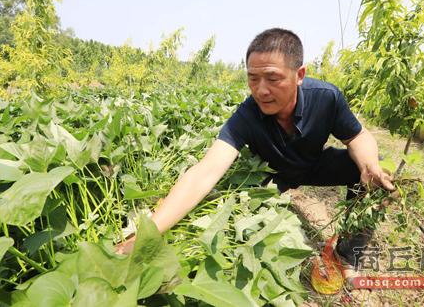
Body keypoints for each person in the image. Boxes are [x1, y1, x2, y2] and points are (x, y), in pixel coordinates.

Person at [116, 28, 394, 272]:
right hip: (271, 176)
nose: (261, 90)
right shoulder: (247, 115)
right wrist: (147, 235)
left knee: (370, 172)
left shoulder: (326, 98)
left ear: (299, 75)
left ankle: (347, 256)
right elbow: (204, 172)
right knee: (230, 210)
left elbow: (358, 136)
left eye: (273, 79)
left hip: (313, 165)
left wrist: (369, 164)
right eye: (252, 79)